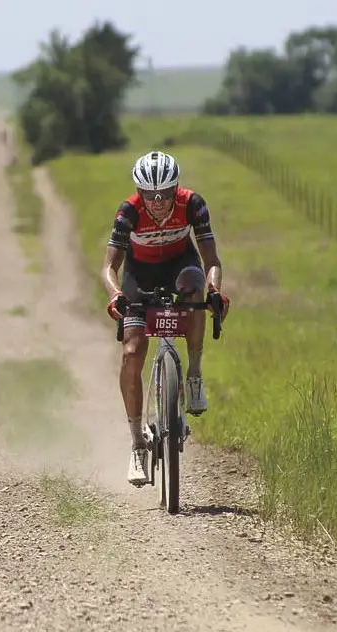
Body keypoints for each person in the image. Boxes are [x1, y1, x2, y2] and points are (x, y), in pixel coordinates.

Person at [101, 150, 230, 486]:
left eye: (164, 194)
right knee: (132, 353)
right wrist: (116, 295)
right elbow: (109, 267)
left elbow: (211, 259)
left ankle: (195, 375)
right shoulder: (128, 211)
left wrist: (215, 291)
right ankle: (137, 445)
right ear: (140, 193)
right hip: (139, 274)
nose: (157, 202)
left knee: (196, 288)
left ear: (176, 188)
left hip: (179, 265)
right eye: (149, 195)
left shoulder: (193, 204)